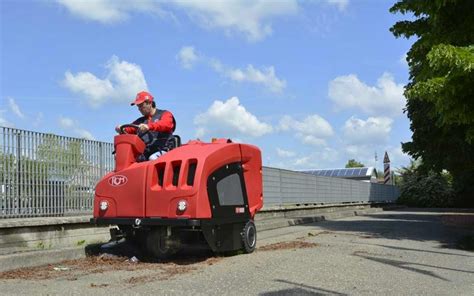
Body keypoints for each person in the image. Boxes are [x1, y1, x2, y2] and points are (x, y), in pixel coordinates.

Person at [115, 91, 176, 161]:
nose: (139, 109)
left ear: (149, 103)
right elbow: (129, 128)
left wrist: (149, 126)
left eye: (141, 106)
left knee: (153, 158)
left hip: (164, 150)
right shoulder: (140, 121)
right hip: (146, 152)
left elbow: (166, 124)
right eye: (138, 107)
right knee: (125, 159)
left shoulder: (165, 114)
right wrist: (120, 128)